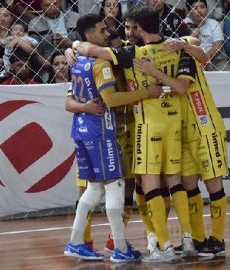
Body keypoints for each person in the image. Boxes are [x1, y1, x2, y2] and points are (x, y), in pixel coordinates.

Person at [71, 6, 206, 262]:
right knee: (173, 181)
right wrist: (185, 45)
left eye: (133, 27)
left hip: (145, 126)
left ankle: (158, 244)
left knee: (140, 184)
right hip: (173, 123)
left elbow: (92, 50)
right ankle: (185, 237)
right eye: (126, 28)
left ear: (140, 28)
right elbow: (198, 52)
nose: (128, 32)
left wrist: (75, 44)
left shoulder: (131, 53)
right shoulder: (179, 47)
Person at [63, 13, 161, 263]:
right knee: (115, 185)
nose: (107, 33)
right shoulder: (101, 63)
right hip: (101, 131)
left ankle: (75, 242)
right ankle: (120, 247)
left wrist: (73, 46)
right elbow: (111, 100)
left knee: (94, 187)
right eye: (102, 29)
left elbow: (73, 96)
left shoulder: (77, 60)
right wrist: (146, 93)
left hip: (82, 129)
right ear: (89, 35)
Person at [134, 38, 228, 256]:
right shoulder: (147, 55)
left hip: (206, 125)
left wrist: (184, 46)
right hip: (181, 129)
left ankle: (218, 239)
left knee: (214, 183)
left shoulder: (182, 49)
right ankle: (198, 239)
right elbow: (172, 88)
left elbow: (202, 57)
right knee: (188, 184)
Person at [184, 0, 230, 71]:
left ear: (207, 9)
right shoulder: (184, 24)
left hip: (213, 59)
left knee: (226, 69)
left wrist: (205, 58)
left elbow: (218, 46)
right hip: (190, 59)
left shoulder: (213, 23)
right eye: (195, 8)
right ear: (189, 11)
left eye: (202, 7)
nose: (199, 10)